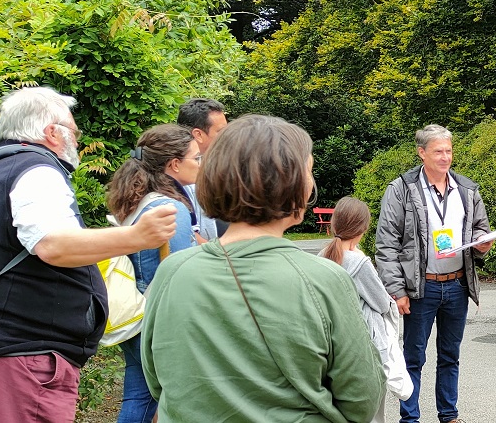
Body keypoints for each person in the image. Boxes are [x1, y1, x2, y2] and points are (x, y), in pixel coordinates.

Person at [140, 115, 385, 422]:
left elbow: (157, 381)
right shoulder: (325, 280)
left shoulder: (172, 273)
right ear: (293, 186)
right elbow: (362, 398)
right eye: (308, 172)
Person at [0, 87, 176, 423]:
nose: (78, 140)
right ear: (51, 132)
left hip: (9, 352)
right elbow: (52, 244)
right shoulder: (36, 170)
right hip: (25, 359)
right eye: (74, 130)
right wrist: (136, 236)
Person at [375, 124, 493, 423]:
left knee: (450, 356)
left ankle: (449, 416)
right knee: (413, 358)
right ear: (422, 152)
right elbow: (386, 244)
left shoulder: (466, 189)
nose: (445, 157)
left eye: (449, 151)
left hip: (456, 285)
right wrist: (397, 290)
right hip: (420, 288)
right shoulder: (400, 189)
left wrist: (483, 242)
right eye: (438, 151)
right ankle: (410, 419)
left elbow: (480, 226)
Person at [106, 124, 202, 423]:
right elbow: (178, 272)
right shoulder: (171, 208)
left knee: (139, 397)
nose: (200, 164)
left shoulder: (140, 200)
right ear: (174, 164)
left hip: (137, 315)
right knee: (169, 400)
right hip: (160, 321)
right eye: (196, 158)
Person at [319, 196, 409, 423]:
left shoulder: (321, 259)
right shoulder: (359, 263)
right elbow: (381, 302)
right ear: (363, 229)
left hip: (331, 345)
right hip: (363, 348)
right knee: (372, 413)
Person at [176, 98, 228, 241]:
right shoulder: (180, 173)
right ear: (198, 134)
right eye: (221, 131)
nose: (227, 137)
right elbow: (188, 232)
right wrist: (222, 256)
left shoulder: (221, 164)